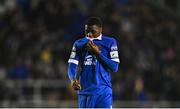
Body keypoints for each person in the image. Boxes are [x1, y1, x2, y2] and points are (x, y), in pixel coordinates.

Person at [67, 17, 120, 108]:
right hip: (85, 92)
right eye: (86, 31)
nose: (89, 34)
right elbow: (72, 65)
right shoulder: (78, 44)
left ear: (100, 30)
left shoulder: (110, 42)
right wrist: (72, 79)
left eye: (93, 31)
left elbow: (114, 67)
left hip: (104, 92)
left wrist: (98, 54)